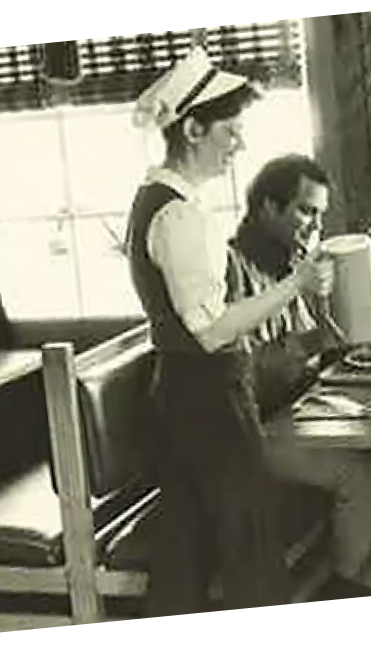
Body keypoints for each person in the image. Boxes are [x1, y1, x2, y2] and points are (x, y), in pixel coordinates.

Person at [125, 48, 332, 616]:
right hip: (208, 401)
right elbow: (214, 333)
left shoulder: (165, 201)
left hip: (193, 396)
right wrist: (297, 284)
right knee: (250, 556)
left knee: (190, 557)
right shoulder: (178, 215)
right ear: (193, 129)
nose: (239, 143)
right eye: (230, 130)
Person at [227, 153, 371, 600]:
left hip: (296, 416)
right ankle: (349, 597)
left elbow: (318, 348)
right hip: (248, 436)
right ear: (268, 207)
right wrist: (313, 342)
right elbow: (239, 374)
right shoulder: (231, 269)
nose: (316, 225)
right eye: (305, 211)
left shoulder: (292, 262)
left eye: (320, 214)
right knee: (362, 476)